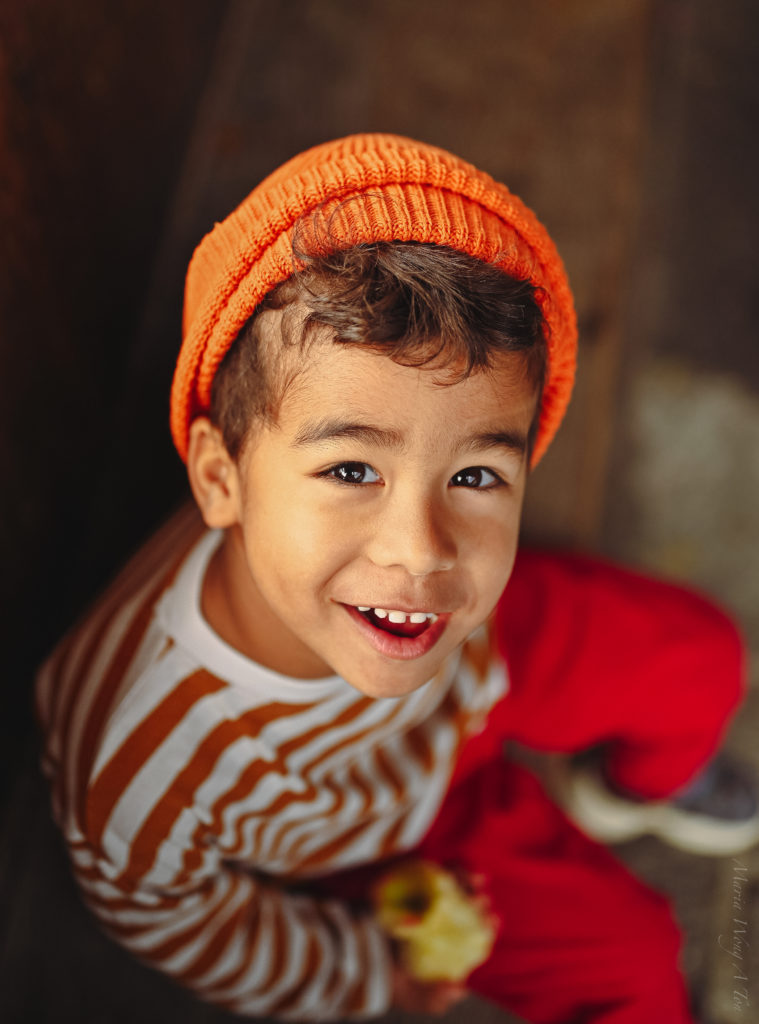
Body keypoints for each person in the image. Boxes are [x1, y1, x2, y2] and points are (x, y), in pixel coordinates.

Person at [35, 134, 757, 1023]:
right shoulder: (137, 762)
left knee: (703, 659)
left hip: (479, 648)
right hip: (379, 830)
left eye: (475, 477)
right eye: (350, 472)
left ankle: (628, 791)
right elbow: (179, 918)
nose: (423, 551)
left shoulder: (416, 581)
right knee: (635, 967)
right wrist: (368, 977)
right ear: (222, 481)